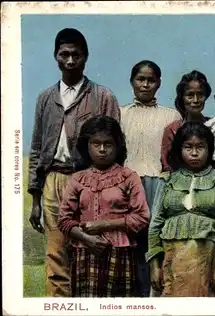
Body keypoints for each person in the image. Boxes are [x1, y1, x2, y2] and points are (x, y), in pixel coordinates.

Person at [27, 28, 121, 297]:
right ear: (55, 56)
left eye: (76, 55)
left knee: (91, 253)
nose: (70, 61)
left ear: (86, 57)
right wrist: (35, 199)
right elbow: (36, 148)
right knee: (56, 255)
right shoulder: (45, 98)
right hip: (53, 180)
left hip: (90, 182)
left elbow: (116, 147)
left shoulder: (102, 97)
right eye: (64, 54)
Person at [57, 115, 149, 297]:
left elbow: (142, 217)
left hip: (120, 253)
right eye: (96, 144)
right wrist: (86, 238)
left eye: (108, 144)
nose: (102, 150)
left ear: (117, 146)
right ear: (87, 145)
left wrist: (103, 225)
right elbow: (64, 219)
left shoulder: (129, 177)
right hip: (85, 252)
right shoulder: (78, 179)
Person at [147, 122, 215, 297]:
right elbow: (155, 223)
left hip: (208, 261)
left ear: (209, 149)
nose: (194, 153)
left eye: (200, 147)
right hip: (171, 260)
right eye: (188, 147)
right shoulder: (168, 181)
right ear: (179, 149)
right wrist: (154, 265)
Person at [120, 60, 182, 297]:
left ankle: (156, 298)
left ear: (159, 83)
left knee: (157, 242)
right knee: (130, 242)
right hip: (128, 184)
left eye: (151, 80)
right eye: (140, 79)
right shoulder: (121, 112)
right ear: (132, 82)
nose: (145, 85)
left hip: (160, 184)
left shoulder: (170, 115)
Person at [160, 70, 211, 172]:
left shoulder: (214, 126)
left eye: (200, 95)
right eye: (190, 95)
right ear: (182, 98)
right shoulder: (173, 129)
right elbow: (167, 165)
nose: (196, 100)